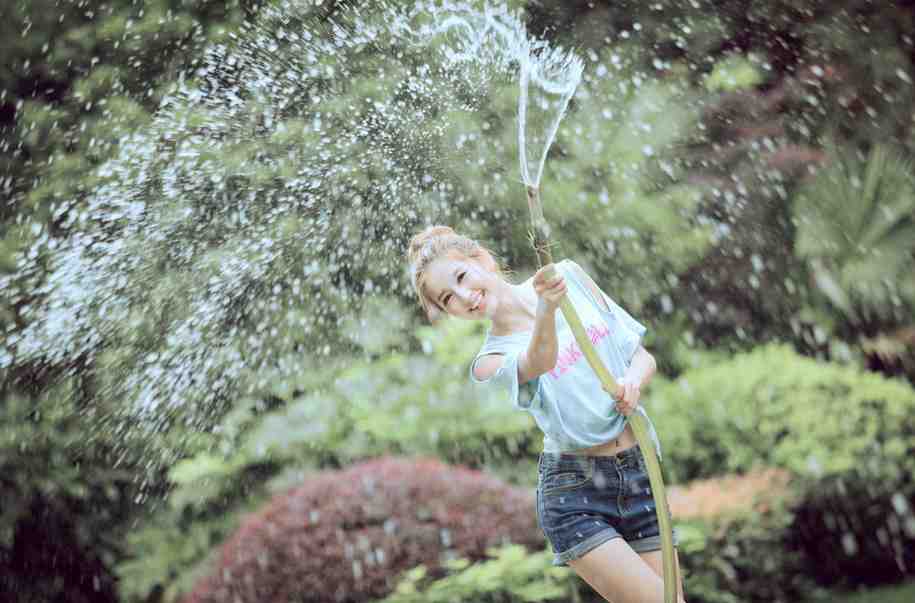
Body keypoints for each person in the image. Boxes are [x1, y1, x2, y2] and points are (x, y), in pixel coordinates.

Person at [407, 225, 685, 603]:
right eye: (447, 298)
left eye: (461, 277)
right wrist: (546, 310)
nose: (463, 296)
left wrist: (632, 383)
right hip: (576, 493)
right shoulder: (489, 362)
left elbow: (640, 356)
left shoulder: (568, 276)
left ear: (482, 259)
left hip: (640, 474)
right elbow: (541, 359)